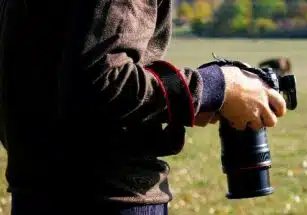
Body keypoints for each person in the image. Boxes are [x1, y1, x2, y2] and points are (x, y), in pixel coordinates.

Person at [0, 0, 287, 215]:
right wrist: (218, 85)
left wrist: (183, 99)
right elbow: (99, 82)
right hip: (108, 198)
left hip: (35, 193)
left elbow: (46, 83)